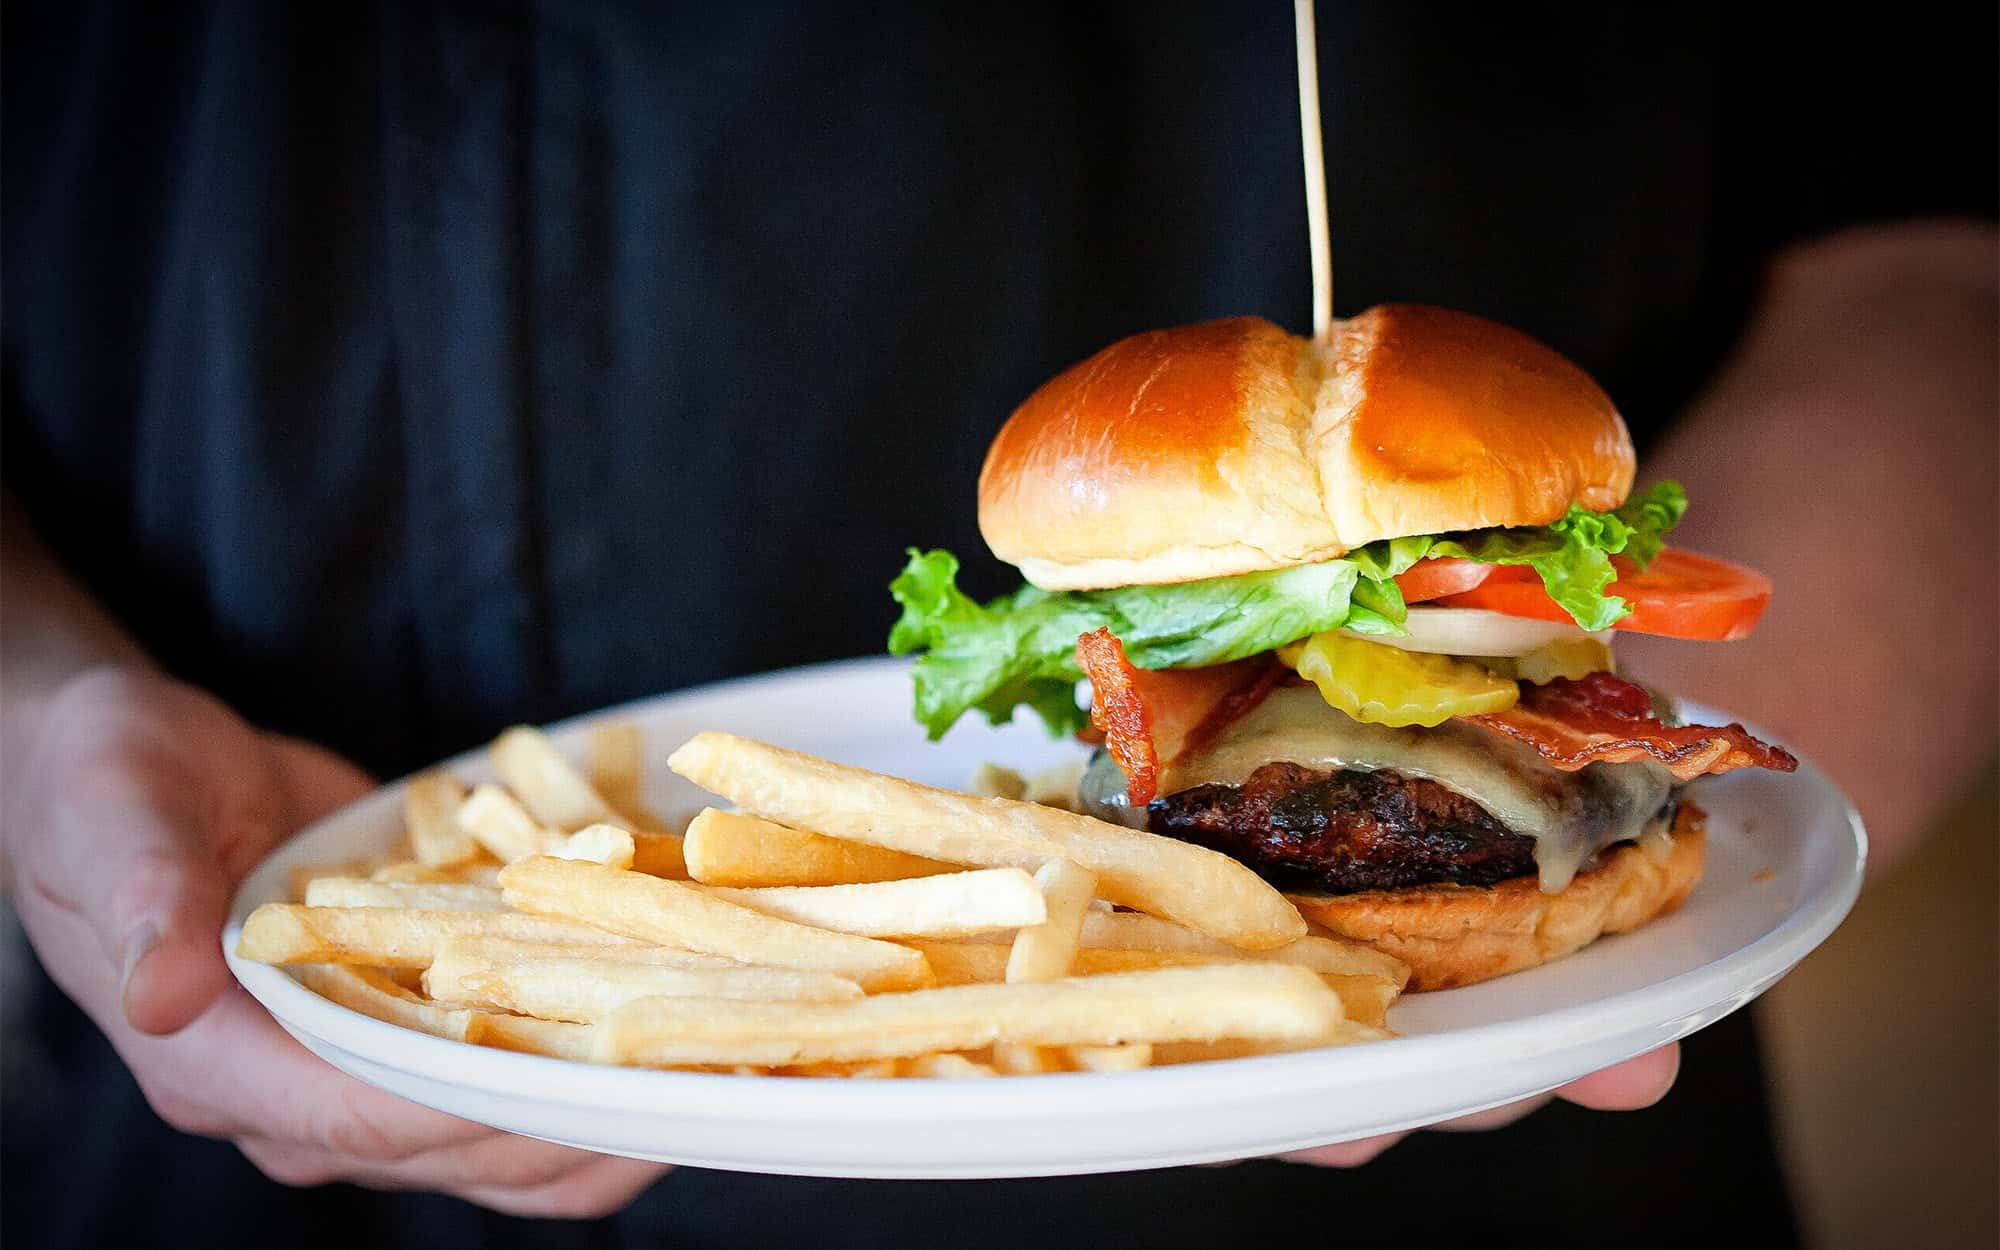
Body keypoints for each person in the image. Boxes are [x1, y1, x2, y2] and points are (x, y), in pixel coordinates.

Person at [3, 4, 1992, 1247]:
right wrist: (38, 715)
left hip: (1497, 1185)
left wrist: (1649, 756)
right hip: (260, 1109)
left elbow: (1931, 270)